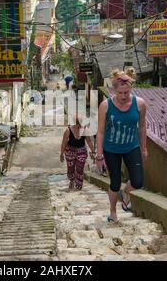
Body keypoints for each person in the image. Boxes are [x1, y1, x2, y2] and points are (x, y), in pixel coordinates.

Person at [96, 67, 148, 223]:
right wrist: (99, 156)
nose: (124, 96)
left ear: (131, 89)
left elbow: (142, 127)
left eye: (127, 93)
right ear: (114, 91)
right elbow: (100, 132)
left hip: (131, 146)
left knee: (138, 182)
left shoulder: (140, 104)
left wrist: (144, 148)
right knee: (115, 183)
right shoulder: (105, 106)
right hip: (111, 149)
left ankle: (125, 193)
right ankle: (113, 212)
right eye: (120, 93)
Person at [60, 115, 95, 190]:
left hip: (81, 151)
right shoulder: (68, 130)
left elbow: (89, 141)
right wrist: (61, 154)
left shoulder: (85, 130)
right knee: (70, 168)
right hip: (70, 151)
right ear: (76, 123)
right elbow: (64, 143)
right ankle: (72, 180)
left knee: (80, 168)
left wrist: (93, 151)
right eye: (80, 123)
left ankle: (78, 185)